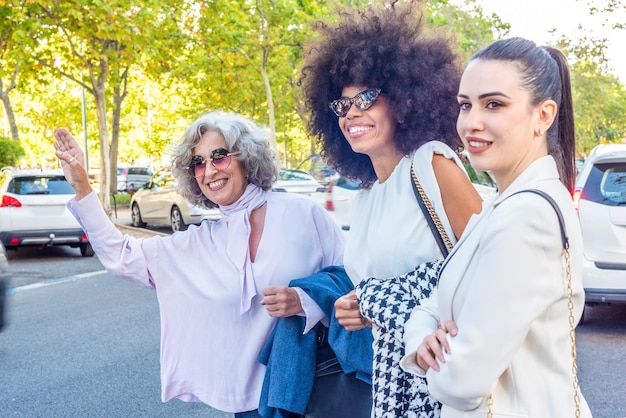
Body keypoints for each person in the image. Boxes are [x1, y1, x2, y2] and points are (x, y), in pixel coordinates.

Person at [52, 111, 346, 418]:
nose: (209, 170)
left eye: (219, 156)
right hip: (250, 406)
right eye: (198, 162)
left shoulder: (303, 215)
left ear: (246, 158)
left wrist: (306, 299)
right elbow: (120, 256)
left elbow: (354, 279)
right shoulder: (195, 244)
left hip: (319, 389)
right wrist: (82, 187)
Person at [298, 2, 483, 417]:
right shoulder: (362, 201)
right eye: (341, 105)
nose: (352, 113)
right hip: (392, 381)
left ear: (403, 100)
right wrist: (356, 306)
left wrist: (378, 300)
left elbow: (490, 265)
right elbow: (376, 291)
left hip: (447, 374)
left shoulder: (430, 164)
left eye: (366, 97)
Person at [400, 37, 593, 417]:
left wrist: (427, 360)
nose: (472, 123)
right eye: (464, 105)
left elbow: (462, 381)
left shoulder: (526, 215)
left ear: (543, 115)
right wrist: (423, 336)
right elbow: (433, 305)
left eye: (494, 104)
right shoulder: (501, 206)